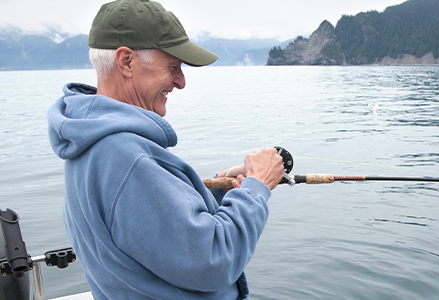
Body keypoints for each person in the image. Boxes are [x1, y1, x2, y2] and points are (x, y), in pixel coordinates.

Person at [46, 0, 284, 299]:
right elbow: (213, 261)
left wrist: (222, 186)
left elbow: (147, 228)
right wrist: (255, 189)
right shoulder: (125, 156)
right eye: (172, 67)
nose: (181, 82)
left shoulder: (89, 138)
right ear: (126, 62)